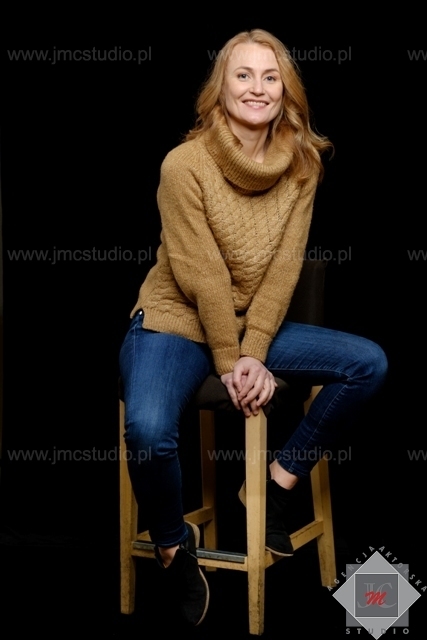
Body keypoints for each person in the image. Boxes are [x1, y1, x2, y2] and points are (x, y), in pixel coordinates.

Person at [119, 28, 388, 627]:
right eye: (243, 75)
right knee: (148, 430)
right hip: (175, 320)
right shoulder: (183, 165)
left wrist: (255, 350)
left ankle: (274, 484)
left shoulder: (302, 166)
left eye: (271, 77)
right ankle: (172, 547)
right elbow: (203, 275)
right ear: (220, 88)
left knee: (367, 363)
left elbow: (284, 269)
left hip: (251, 328)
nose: (257, 88)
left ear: (285, 91)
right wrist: (233, 361)